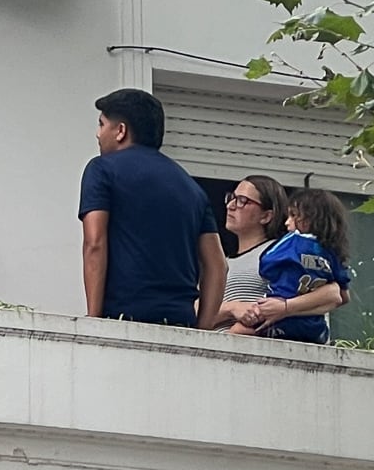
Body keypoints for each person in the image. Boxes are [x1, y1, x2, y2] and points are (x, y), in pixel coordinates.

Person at [78, 88, 227, 327]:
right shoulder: (191, 187)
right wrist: (203, 331)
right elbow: (217, 266)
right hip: (181, 323)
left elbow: (95, 243)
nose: (98, 134)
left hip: (125, 319)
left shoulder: (101, 169)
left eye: (101, 124)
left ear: (120, 131)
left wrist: (94, 321)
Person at [205, 175, 348, 332]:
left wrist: (285, 308)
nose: (231, 206)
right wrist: (231, 308)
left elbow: (333, 292)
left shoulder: (287, 251)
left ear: (266, 216)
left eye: (242, 201)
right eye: (231, 198)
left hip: (259, 345)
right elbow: (195, 313)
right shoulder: (220, 261)